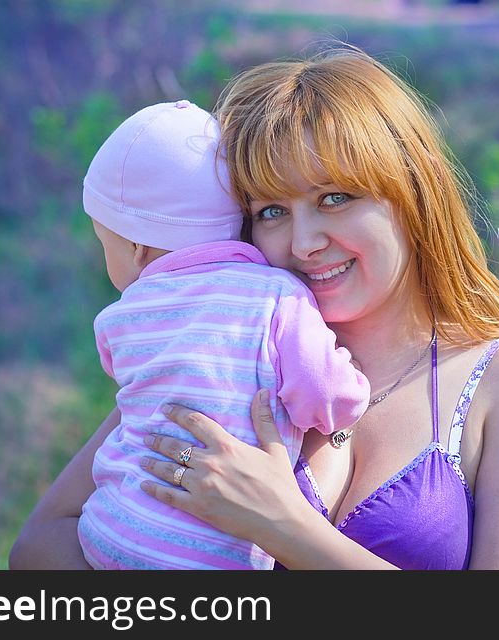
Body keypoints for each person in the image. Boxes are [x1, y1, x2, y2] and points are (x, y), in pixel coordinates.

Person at [10, 46, 499, 570]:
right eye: (271, 211)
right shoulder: (222, 354)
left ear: (412, 195)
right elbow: (38, 548)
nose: (305, 241)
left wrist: (285, 526)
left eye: (335, 198)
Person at [73, 100, 370, 570]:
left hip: (107, 531)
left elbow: (126, 377)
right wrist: (350, 398)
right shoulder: (276, 295)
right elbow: (321, 389)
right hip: (206, 556)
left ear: (134, 247)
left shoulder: (120, 316)